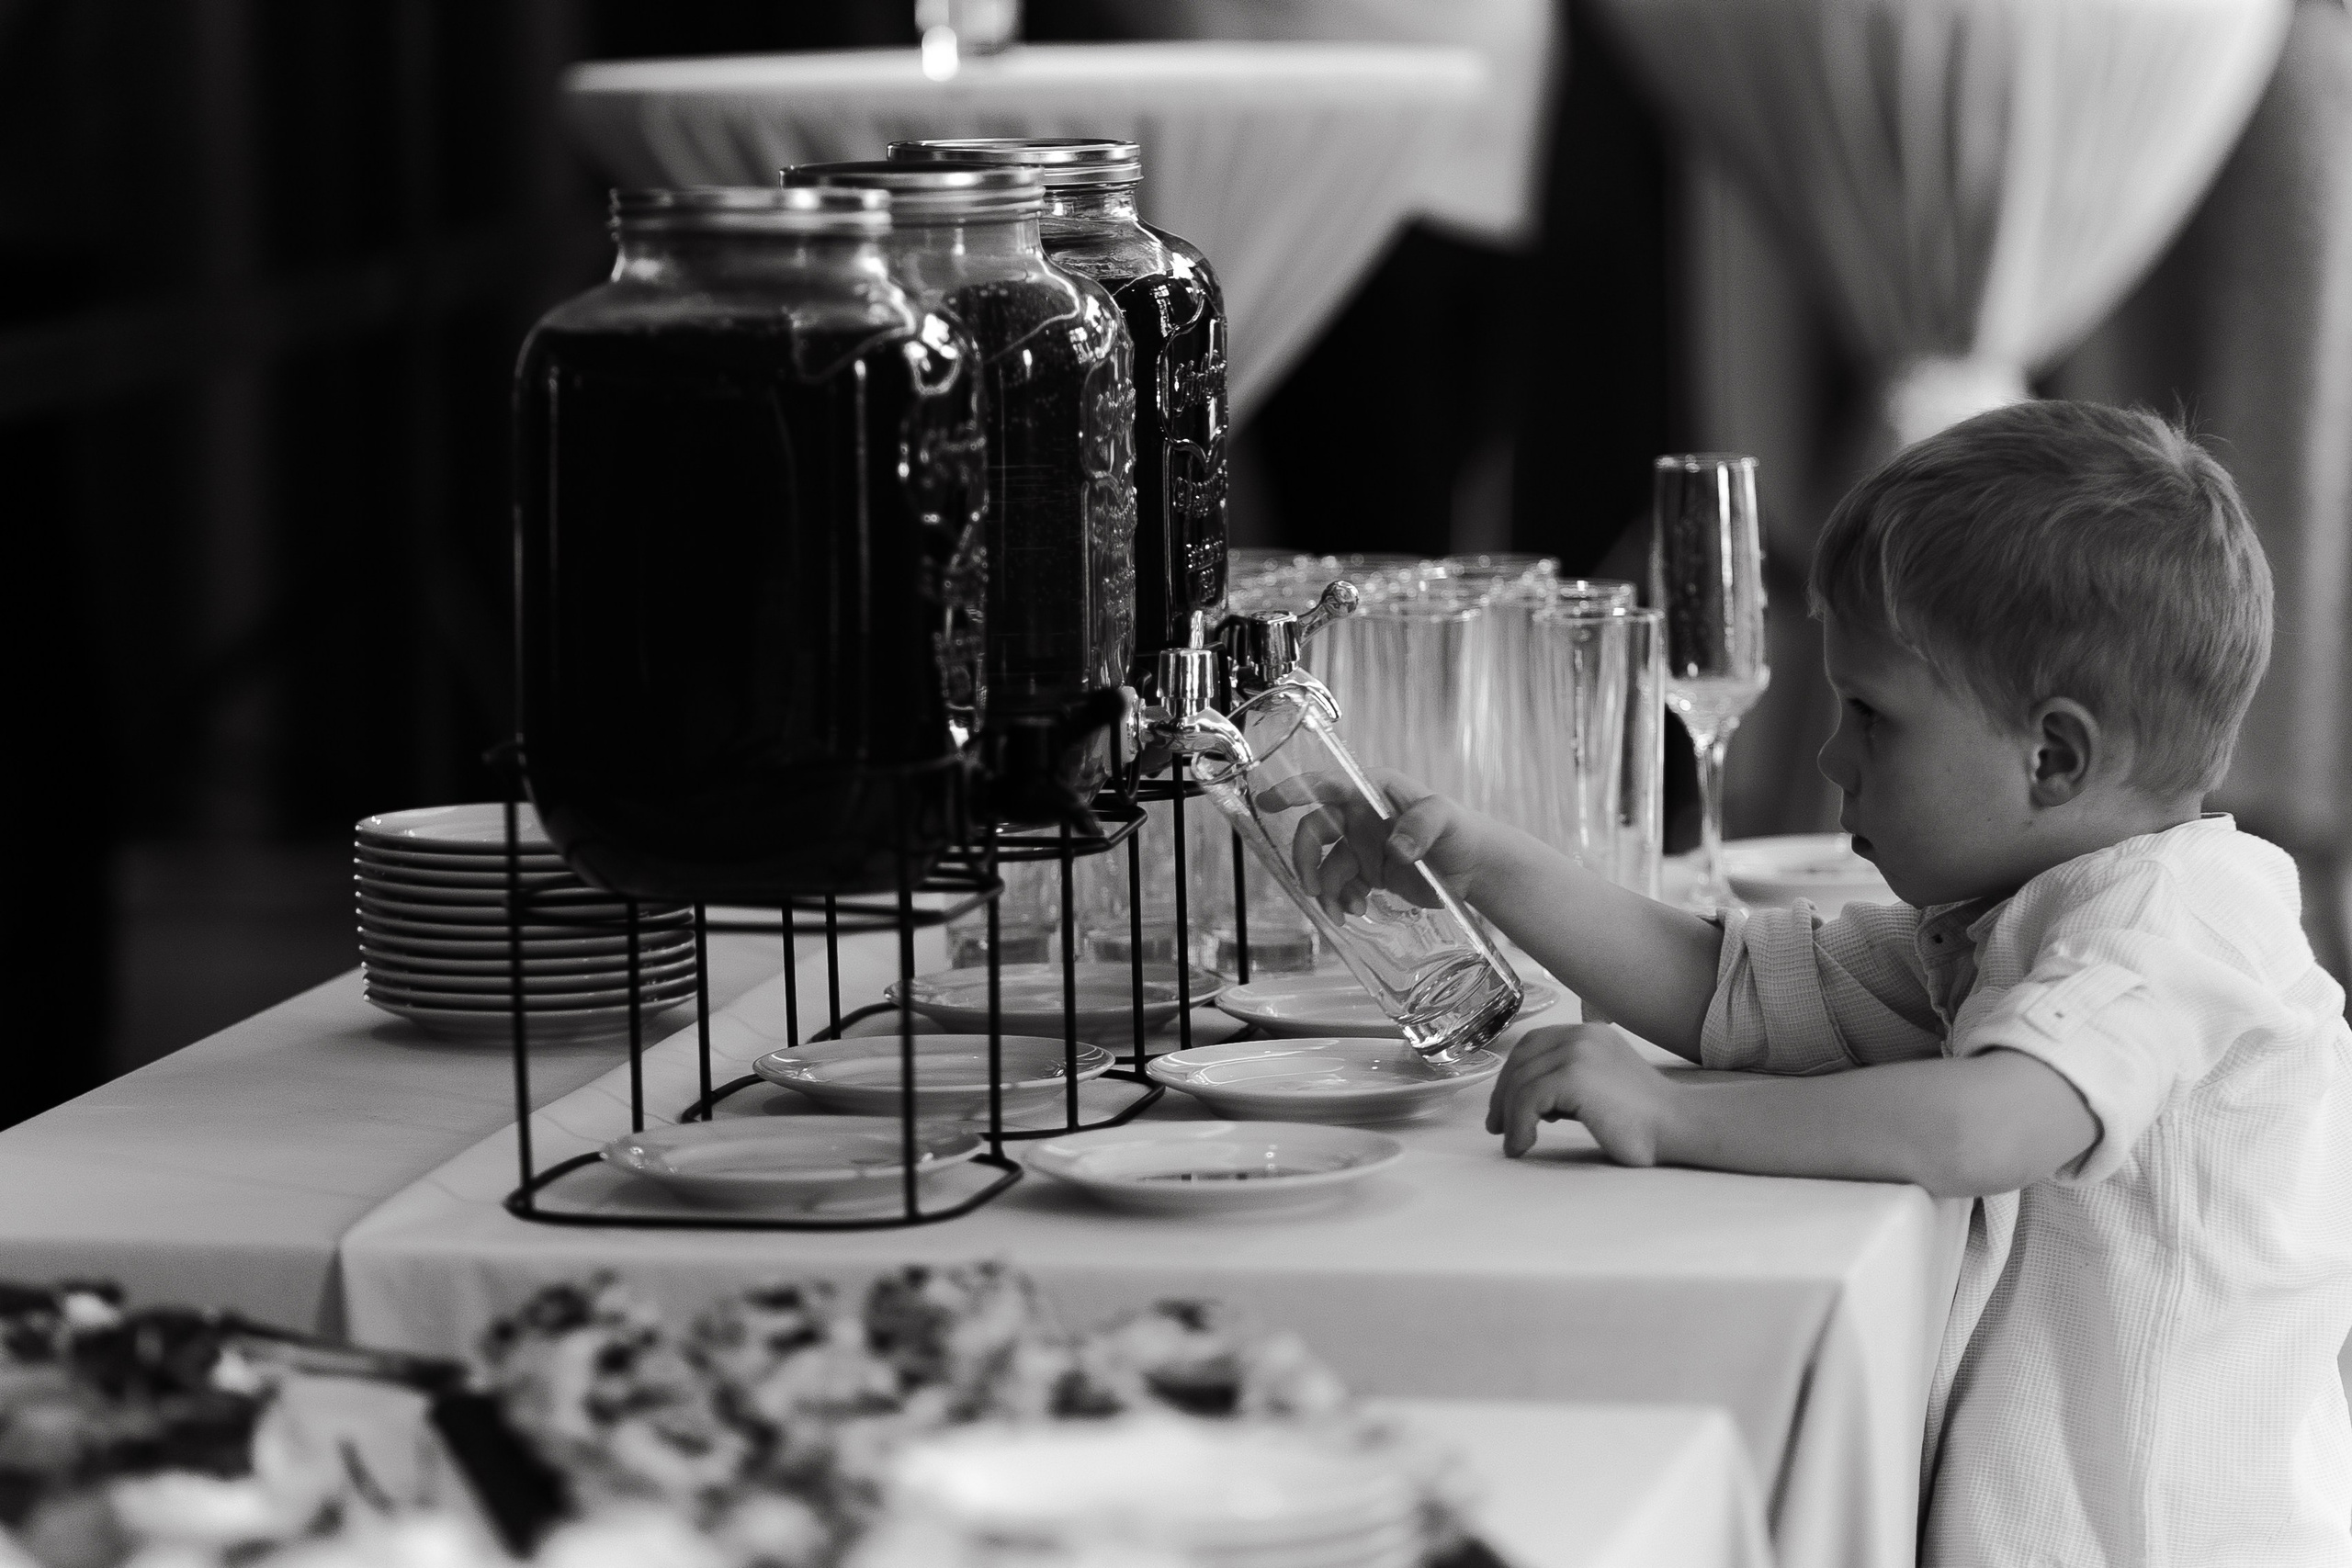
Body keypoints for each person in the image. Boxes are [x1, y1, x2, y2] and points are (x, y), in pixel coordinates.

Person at [1276, 401, 2352, 1564]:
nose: (1832, 758)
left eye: (1871, 718)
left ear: (2052, 757)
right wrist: (1481, 860)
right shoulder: (2021, 915)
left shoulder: (2175, 917)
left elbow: (1987, 1128)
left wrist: (1673, 1112)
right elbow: (1728, 990)